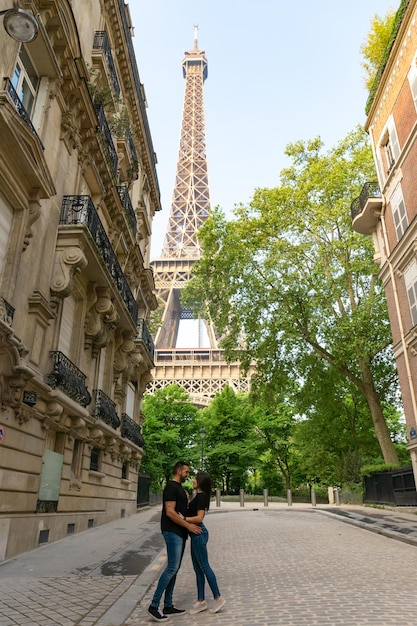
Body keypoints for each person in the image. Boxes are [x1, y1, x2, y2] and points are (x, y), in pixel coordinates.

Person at [148, 461, 202, 622]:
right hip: (172, 531)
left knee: (175, 568)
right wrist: (188, 526)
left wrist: (186, 499)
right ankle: (154, 605)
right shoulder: (171, 487)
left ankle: (168, 605)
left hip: (180, 532)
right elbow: (170, 513)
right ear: (179, 471)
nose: (188, 474)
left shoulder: (179, 489)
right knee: (172, 567)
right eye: (186, 472)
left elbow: (181, 510)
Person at [184, 471, 226, 615]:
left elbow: (199, 518)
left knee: (205, 566)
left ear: (200, 482)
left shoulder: (201, 497)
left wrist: (183, 518)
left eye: (195, 479)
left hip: (198, 533)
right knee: (198, 569)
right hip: (196, 534)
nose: (193, 480)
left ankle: (218, 598)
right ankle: (201, 601)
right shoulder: (199, 496)